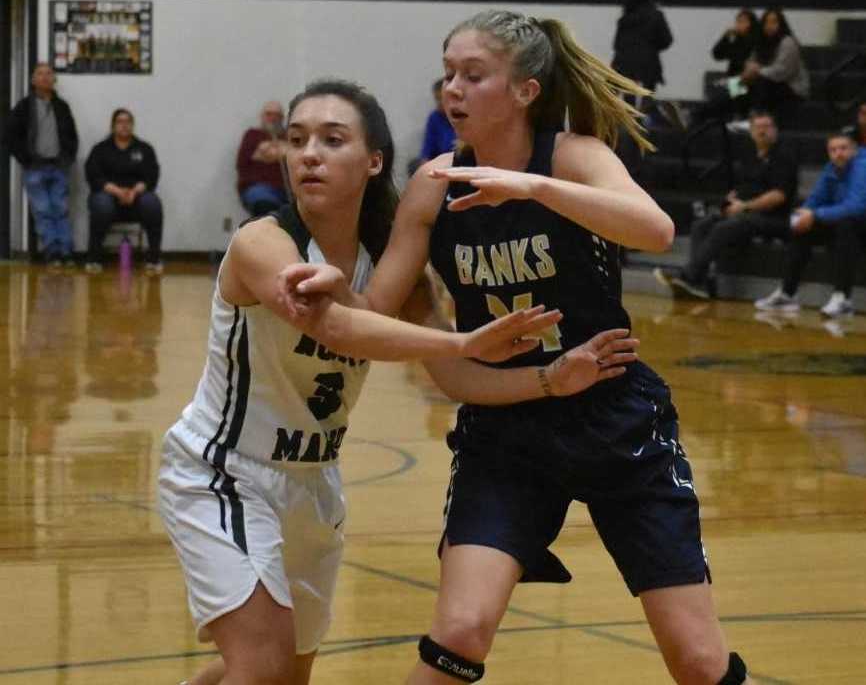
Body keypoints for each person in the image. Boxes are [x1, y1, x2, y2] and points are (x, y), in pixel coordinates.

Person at [284, 11, 754, 685]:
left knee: (699, 661)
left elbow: (654, 229)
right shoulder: (433, 185)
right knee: (461, 629)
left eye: (473, 75)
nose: (453, 89)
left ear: (526, 91)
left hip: (617, 419)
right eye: (448, 74)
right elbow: (374, 314)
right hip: (506, 429)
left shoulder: (572, 157)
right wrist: (335, 284)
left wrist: (530, 186)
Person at [161, 78, 637, 685]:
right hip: (223, 472)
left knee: (279, 673)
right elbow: (342, 329)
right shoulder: (264, 244)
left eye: (333, 140)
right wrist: (463, 339)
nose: (309, 153)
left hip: (313, 485)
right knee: (259, 666)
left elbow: (453, 376)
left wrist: (548, 380)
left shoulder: (388, 265)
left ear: (375, 160)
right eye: (298, 139)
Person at [654, 111, 798, 299]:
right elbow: (743, 187)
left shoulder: (784, 156)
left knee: (726, 226)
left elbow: (778, 196)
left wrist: (744, 206)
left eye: (767, 127)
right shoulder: (751, 157)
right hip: (747, 213)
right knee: (701, 224)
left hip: (775, 218)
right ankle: (700, 283)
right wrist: (732, 199)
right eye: (758, 127)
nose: (762, 131)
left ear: (775, 130)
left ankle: (689, 275)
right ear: (751, 131)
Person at [755, 131, 866, 317]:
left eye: (843, 148)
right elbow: (814, 200)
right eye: (833, 150)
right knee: (802, 227)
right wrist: (801, 216)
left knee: (846, 224)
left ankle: (843, 299)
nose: (838, 153)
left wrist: (814, 215)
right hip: (846, 224)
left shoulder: (862, 166)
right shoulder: (831, 168)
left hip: (858, 223)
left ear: (854, 150)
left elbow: (856, 207)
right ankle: (787, 293)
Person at [3, 62, 78, 266]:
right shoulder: (24, 106)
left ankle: (66, 251)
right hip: (35, 168)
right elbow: (9, 135)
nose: (45, 77)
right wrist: (25, 158)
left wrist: (68, 156)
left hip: (58, 166)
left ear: (54, 80)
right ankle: (52, 252)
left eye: (49, 74)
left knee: (60, 209)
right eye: (40, 74)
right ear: (33, 80)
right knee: (43, 211)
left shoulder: (62, 107)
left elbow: (72, 135)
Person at [83, 108, 163, 274]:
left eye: (128, 122)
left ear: (132, 125)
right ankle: (94, 259)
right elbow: (93, 176)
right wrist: (117, 191)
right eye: (120, 122)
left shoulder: (144, 149)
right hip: (108, 196)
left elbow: (151, 176)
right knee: (101, 204)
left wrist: (134, 192)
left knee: (153, 203)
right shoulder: (100, 149)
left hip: (136, 198)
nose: (124, 125)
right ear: (113, 126)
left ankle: (154, 259)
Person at [740, 8, 809, 128]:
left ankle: (754, 120)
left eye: (774, 22)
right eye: (766, 22)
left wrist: (757, 70)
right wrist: (746, 74)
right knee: (735, 84)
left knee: (761, 81)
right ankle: (729, 115)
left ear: (781, 24)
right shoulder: (761, 42)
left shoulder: (787, 42)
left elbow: (781, 72)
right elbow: (750, 62)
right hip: (769, 85)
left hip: (791, 89)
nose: (769, 26)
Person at [236, 100, 290, 217]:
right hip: (260, 189)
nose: (273, 118)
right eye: (269, 114)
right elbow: (241, 163)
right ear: (262, 116)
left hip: (287, 191)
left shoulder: (289, 136)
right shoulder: (252, 135)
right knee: (265, 207)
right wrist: (280, 151)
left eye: (277, 115)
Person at [711, 10, 760, 78]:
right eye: (737, 21)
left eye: (742, 22)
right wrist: (725, 38)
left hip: (750, 77)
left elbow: (740, 58)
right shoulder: (734, 38)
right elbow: (717, 55)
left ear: (751, 23)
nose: (738, 24)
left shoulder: (757, 40)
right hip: (733, 78)